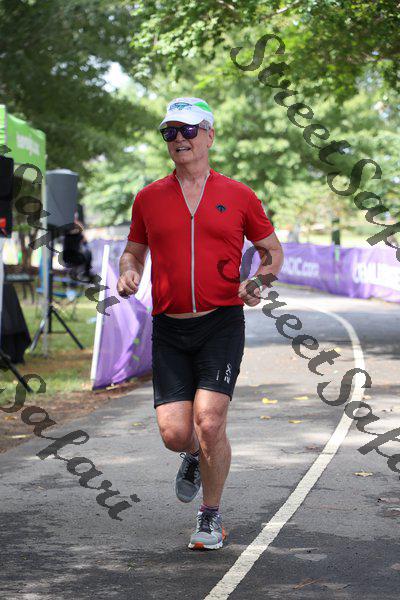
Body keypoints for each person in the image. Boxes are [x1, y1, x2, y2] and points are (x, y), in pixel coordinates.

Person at [117, 97, 284, 550]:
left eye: (188, 130)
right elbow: (133, 251)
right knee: (176, 434)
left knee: (209, 422)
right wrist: (129, 271)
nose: (179, 139)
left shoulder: (239, 195)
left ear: (209, 135)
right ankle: (193, 455)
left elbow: (272, 252)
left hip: (220, 324)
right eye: (169, 132)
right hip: (169, 327)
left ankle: (210, 516)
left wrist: (259, 281)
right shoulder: (149, 197)